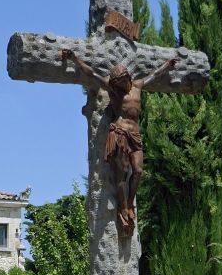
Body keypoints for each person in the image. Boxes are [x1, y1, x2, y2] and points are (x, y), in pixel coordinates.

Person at [60, 49, 176, 235]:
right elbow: (92, 73)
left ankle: (130, 203)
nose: (117, 85)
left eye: (120, 82)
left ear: (127, 78)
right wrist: (74, 58)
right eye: (115, 83)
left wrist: (167, 65)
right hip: (119, 134)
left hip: (135, 135)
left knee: (138, 170)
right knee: (121, 174)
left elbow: (154, 75)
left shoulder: (137, 86)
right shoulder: (114, 90)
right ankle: (123, 208)